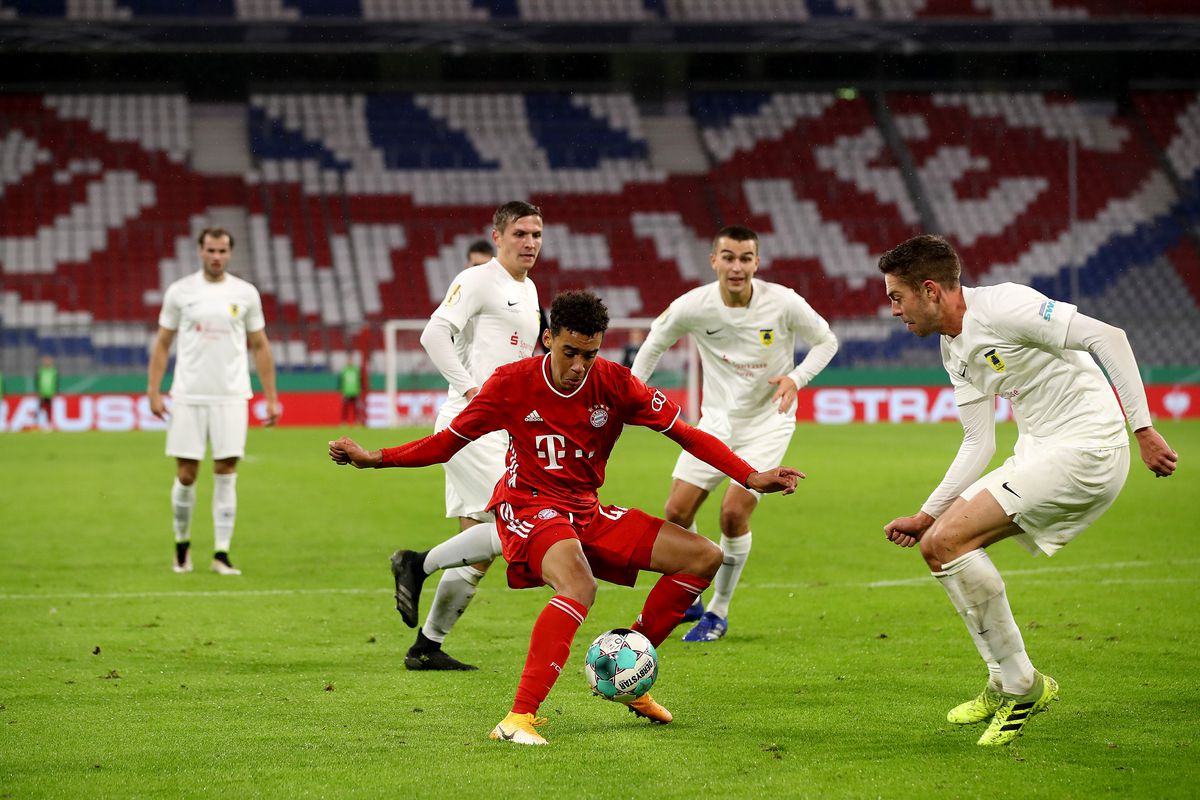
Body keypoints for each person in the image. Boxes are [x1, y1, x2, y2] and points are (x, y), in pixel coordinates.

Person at [330, 290, 803, 745]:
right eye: (571, 351)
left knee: (704, 556)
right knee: (579, 585)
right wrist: (376, 458)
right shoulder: (510, 383)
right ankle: (518, 718)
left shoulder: (616, 383)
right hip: (528, 505)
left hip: (585, 507)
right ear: (548, 338)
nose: (579, 366)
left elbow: (688, 435)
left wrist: (749, 475)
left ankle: (626, 671)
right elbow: (444, 444)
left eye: (590, 355)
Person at [878, 234, 1178, 746]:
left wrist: (1143, 428)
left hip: (1088, 446)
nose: (893, 311)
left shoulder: (1004, 306)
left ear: (930, 290)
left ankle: (1022, 685)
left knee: (951, 544)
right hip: (1039, 449)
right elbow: (978, 442)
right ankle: (1004, 680)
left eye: (896, 298)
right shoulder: (954, 348)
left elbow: (1110, 337)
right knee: (937, 545)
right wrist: (927, 513)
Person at [630, 225, 838, 642]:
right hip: (716, 425)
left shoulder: (783, 302)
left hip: (767, 424)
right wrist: (628, 392)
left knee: (732, 513)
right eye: (728, 257)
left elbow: (826, 340)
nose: (737, 266)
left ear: (756, 263)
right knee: (676, 512)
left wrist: (796, 378)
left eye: (745, 258)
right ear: (714, 261)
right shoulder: (694, 305)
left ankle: (717, 612)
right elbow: (654, 343)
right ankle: (689, 594)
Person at [395, 202, 543, 671]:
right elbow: (433, 335)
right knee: (513, 524)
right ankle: (416, 563)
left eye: (537, 234)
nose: (530, 242)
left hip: (502, 427)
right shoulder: (479, 279)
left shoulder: (529, 287)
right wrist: (474, 391)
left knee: (480, 547)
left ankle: (426, 647)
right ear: (497, 236)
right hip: (472, 423)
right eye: (520, 233)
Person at [148, 227, 279, 576]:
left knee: (226, 472)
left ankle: (221, 553)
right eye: (211, 250)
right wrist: (154, 390)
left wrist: (271, 397)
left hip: (232, 395)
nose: (216, 256)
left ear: (230, 253)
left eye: (222, 250)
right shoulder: (180, 292)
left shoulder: (245, 293)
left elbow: (260, 345)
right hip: (189, 395)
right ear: (200, 251)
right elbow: (162, 343)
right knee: (187, 474)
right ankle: (181, 546)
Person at [338, 354, 364, 425]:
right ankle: (344, 422)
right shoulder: (344, 370)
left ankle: (357, 422)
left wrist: (359, 390)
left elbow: (359, 381)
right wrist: (342, 391)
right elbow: (342, 381)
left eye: (351, 361)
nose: (350, 362)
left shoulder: (356, 370)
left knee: (356, 409)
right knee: (345, 408)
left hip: (355, 392)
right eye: (349, 361)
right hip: (346, 392)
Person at [36, 355, 59, 431]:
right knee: (41, 409)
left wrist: (54, 392)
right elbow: (38, 382)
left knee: (49, 409)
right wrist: (39, 392)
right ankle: (39, 424)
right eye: (45, 361)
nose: (47, 362)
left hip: (50, 393)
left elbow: (55, 383)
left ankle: (48, 424)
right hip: (42, 393)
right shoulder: (40, 371)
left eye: (48, 361)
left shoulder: (53, 371)